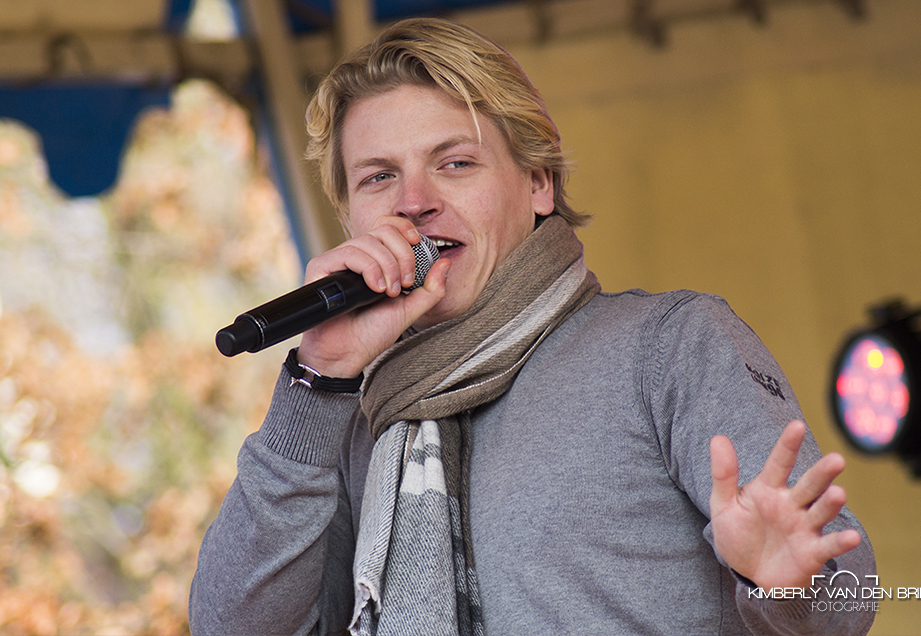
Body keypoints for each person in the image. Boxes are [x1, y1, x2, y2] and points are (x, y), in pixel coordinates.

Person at [189, 17, 876, 636]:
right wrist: (318, 379)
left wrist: (786, 584)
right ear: (350, 219)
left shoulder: (668, 344)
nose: (414, 202)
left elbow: (850, 595)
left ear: (539, 183)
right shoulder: (350, 418)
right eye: (378, 178)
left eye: (456, 163)